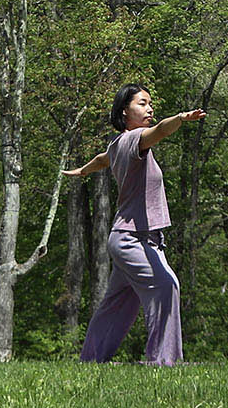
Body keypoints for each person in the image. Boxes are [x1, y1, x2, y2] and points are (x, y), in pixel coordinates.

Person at [67, 84, 204, 365]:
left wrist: (83, 170)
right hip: (133, 239)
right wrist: (181, 118)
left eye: (150, 104)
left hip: (131, 238)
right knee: (166, 286)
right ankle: (164, 361)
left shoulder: (117, 145)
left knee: (117, 304)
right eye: (142, 103)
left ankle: (91, 359)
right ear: (124, 111)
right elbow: (161, 130)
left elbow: (102, 160)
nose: (149, 109)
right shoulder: (134, 139)